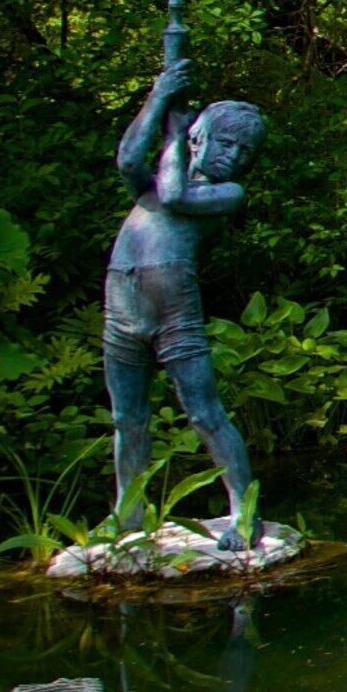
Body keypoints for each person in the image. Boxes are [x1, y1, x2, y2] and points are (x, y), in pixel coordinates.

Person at [105, 47, 266, 547]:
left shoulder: (224, 195)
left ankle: (245, 512)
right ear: (203, 136)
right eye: (227, 144)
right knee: (127, 416)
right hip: (122, 300)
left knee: (202, 410)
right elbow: (129, 158)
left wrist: (175, 135)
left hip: (173, 305)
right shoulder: (151, 183)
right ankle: (128, 514)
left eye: (245, 153)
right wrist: (160, 97)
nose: (234, 158)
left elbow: (175, 196)